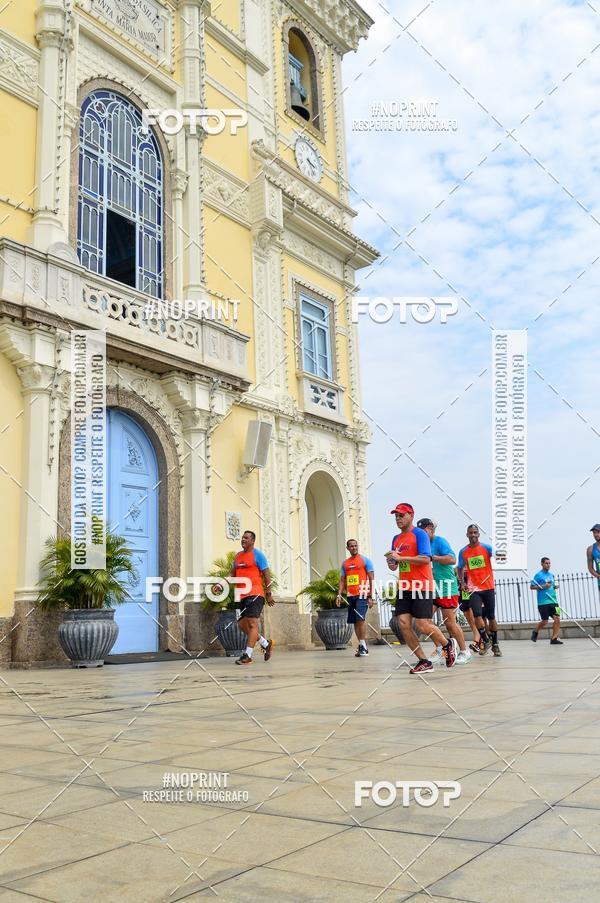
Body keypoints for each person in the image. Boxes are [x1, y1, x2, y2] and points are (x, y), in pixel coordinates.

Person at [385, 502, 456, 673]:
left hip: (422, 585)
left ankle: (447, 644)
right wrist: (392, 562)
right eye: (396, 516)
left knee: (423, 625)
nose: (398, 519)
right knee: (403, 624)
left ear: (411, 516)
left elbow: (426, 559)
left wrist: (401, 558)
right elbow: (396, 564)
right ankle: (424, 661)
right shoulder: (396, 538)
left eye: (401, 515)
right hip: (405, 587)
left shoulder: (420, 535)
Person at [417, 519, 469, 664]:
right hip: (432, 589)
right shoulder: (422, 545)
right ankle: (441, 648)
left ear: (431, 529)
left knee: (450, 623)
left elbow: (452, 559)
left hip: (447, 587)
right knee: (424, 621)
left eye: (424, 531)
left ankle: (465, 651)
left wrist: (433, 558)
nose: (421, 534)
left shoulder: (440, 542)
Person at [230, 531, 275, 665]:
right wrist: (221, 585)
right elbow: (231, 574)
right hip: (241, 595)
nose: (243, 539)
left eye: (246, 538)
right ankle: (265, 644)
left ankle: (247, 655)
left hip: (255, 593)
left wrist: (269, 593)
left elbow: (267, 574)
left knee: (252, 623)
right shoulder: (238, 556)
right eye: (242, 537)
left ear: (252, 541)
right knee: (242, 625)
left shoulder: (258, 555)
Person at [458, 525, 502, 657]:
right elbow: (459, 568)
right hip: (474, 589)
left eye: (475, 532)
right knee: (477, 615)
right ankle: (486, 640)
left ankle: (495, 644)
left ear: (478, 534)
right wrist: (462, 582)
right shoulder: (463, 552)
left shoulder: (486, 548)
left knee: (491, 617)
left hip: (488, 587)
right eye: (470, 533)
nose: (473, 535)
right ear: (467, 535)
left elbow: (498, 555)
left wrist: (502, 555)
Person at [337, 539, 375, 656]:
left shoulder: (365, 561)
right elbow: (342, 580)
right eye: (351, 546)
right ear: (347, 548)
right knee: (355, 621)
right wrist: (339, 594)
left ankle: (363, 645)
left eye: (355, 546)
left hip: (362, 594)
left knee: (360, 619)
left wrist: (371, 596)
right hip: (350, 595)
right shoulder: (345, 564)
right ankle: (361, 646)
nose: (354, 548)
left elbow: (371, 579)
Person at [530, 557, 562, 644]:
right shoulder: (538, 575)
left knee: (558, 619)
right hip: (543, 602)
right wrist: (544, 586)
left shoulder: (551, 575)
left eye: (549, 563)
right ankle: (535, 631)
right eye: (546, 563)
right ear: (542, 564)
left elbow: (551, 586)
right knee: (545, 621)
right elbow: (531, 587)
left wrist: (554, 587)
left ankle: (554, 638)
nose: (548, 565)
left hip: (554, 601)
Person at [586, 524, 600, 588]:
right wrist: (598, 576)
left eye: (598, 532)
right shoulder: (590, 549)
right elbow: (590, 568)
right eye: (594, 533)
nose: (596, 534)